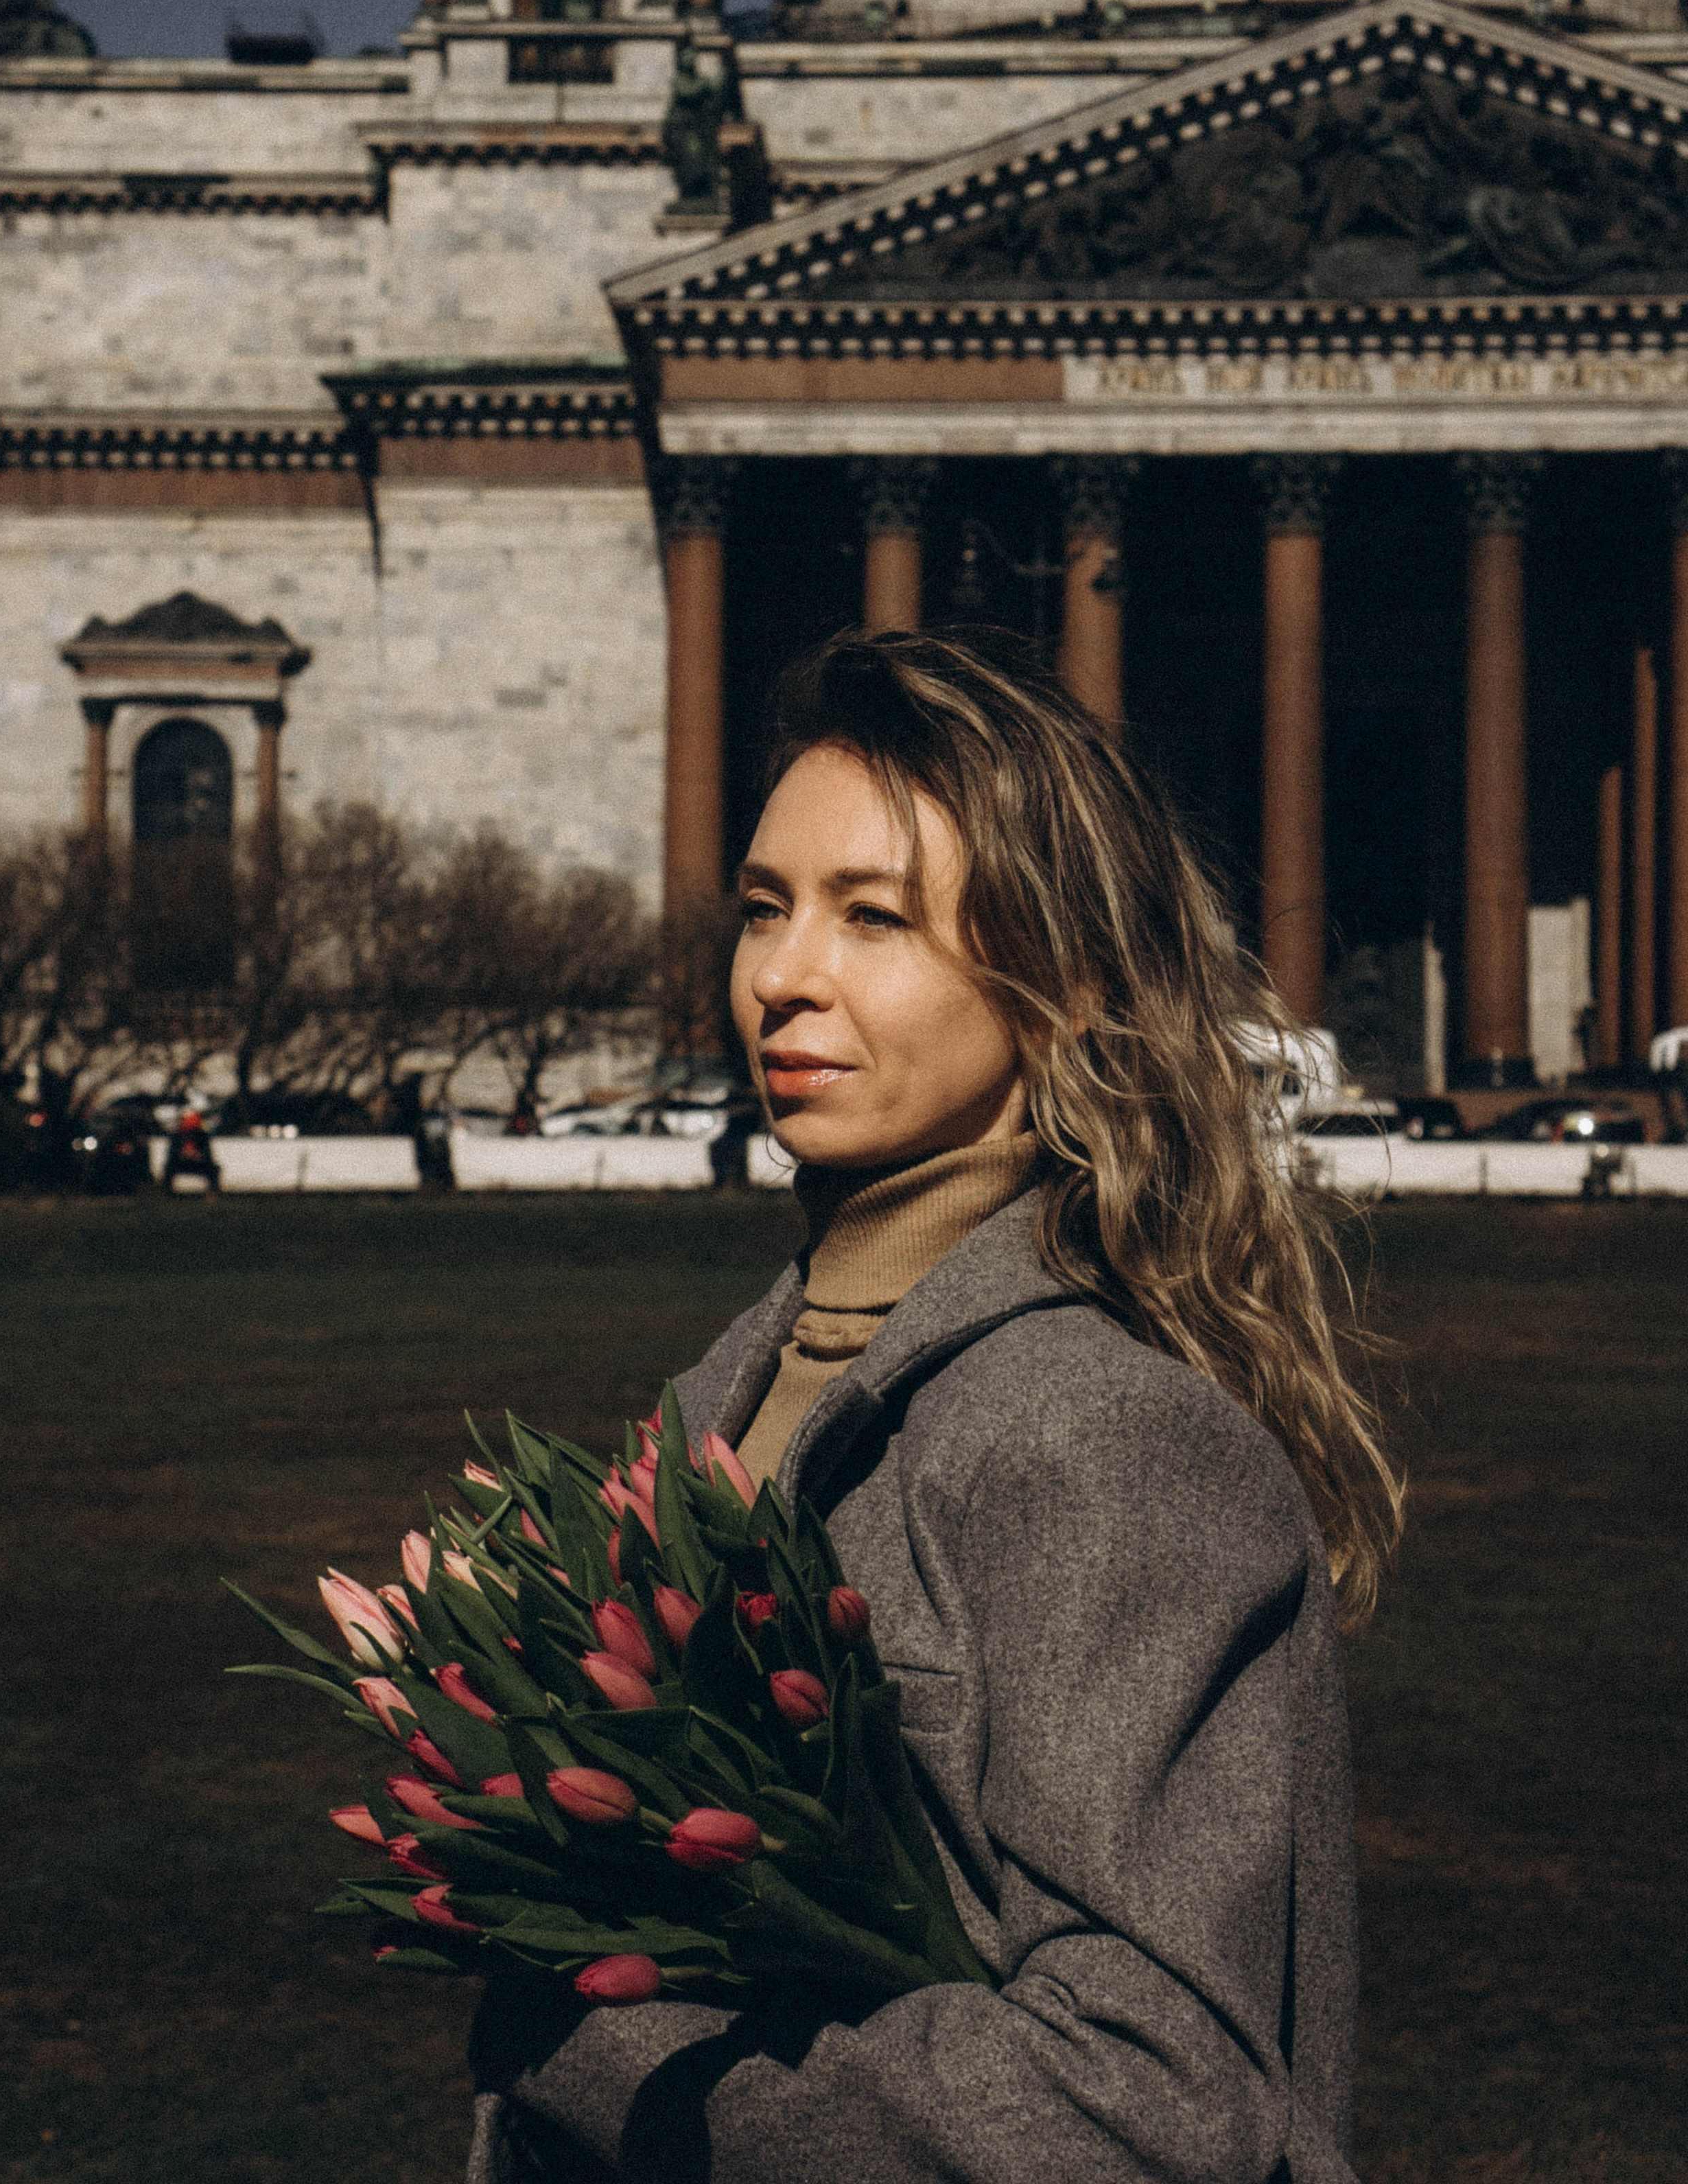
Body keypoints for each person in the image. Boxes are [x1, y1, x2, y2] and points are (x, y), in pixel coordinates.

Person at [469, 628, 1402, 2184]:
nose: (782, 976)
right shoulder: (722, 1393)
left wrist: (607, 2050)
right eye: (762, 907)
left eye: (872, 917)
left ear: (1062, 981)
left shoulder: (1102, 1442)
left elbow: (1144, 2104)